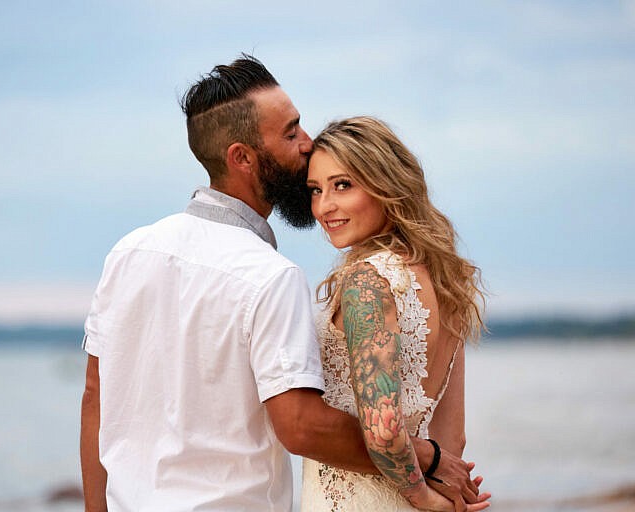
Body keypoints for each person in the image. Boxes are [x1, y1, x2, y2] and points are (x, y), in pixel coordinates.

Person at [80, 56, 488, 511]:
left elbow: (96, 395)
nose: (307, 143)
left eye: (342, 184)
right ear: (242, 158)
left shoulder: (127, 252)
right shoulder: (271, 275)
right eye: (291, 132)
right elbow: (301, 427)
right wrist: (428, 463)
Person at [301, 116, 488, 511]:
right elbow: (452, 440)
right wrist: (444, 497)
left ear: (386, 184)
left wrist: (424, 499)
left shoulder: (367, 283)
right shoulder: (445, 281)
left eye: (343, 185)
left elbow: (384, 431)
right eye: (315, 190)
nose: (324, 207)